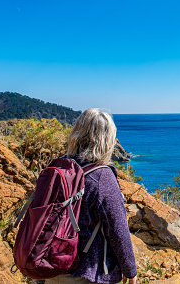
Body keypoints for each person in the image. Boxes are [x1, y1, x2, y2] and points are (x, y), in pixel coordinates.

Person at [45, 108, 137, 284]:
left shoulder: (60, 166)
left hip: (52, 265)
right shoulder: (102, 176)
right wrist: (130, 270)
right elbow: (118, 228)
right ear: (107, 140)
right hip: (86, 272)